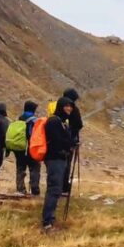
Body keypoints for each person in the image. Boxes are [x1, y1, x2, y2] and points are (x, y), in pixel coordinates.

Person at [42, 97, 75, 232]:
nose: (69, 108)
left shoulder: (60, 122)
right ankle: (47, 222)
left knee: (56, 189)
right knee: (54, 189)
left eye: (71, 106)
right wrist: (69, 144)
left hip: (59, 158)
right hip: (55, 158)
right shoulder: (54, 121)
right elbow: (56, 140)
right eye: (66, 106)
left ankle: (50, 219)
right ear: (61, 106)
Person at [13, 100, 40, 195]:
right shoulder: (34, 120)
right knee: (34, 168)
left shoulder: (19, 119)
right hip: (31, 149)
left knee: (20, 169)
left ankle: (20, 189)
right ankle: (34, 190)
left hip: (20, 148)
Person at [61, 88, 84, 195]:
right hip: (69, 140)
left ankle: (56, 184)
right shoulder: (72, 108)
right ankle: (64, 187)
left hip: (56, 140)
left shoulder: (57, 105)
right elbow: (79, 124)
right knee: (67, 164)